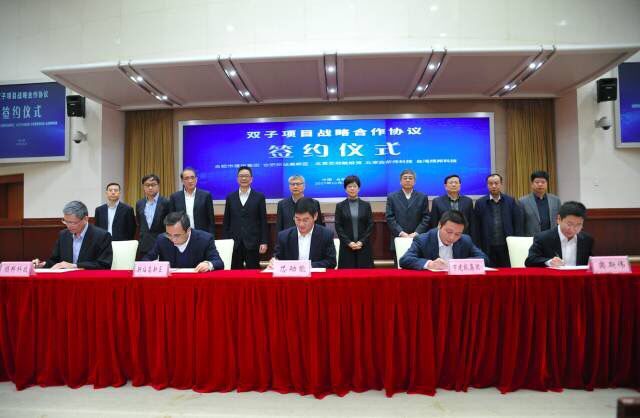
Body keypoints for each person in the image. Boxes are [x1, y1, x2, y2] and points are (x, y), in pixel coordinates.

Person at [32, 201, 112, 270]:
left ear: (85, 219)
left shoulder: (102, 236)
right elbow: (55, 261)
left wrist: (75, 266)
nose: (69, 226)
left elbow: (104, 264)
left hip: (90, 279)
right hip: (65, 279)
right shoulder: (63, 235)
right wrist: (42, 264)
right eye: (66, 221)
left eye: (73, 223)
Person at [399, 210, 488, 270]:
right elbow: (405, 260)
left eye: (457, 234)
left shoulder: (465, 240)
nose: (452, 237)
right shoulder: (423, 240)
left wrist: (459, 264)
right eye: (449, 232)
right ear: (439, 225)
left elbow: (484, 259)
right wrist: (430, 264)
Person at [142, 212, 223, 271]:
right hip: (170, 283)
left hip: (195, 283)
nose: (173, 239)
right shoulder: (162, 239)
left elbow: (218, 262)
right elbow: (147, 258)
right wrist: (150, 265)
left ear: (188, 230)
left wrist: (208, 264)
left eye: (177, 235)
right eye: (169, 234)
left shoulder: (205, 239)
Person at [270, 197, 336, 269]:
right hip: (292, 275)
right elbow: (277, 257)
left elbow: (331, 262)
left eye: (305, 220)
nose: (301, 224)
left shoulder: (326, 235)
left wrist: (307, 266)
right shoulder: (284, 236)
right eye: (298, 219)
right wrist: (274, 261)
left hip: (315, 275)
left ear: (315, 216)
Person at [473, 173, 524, 267]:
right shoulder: (480, 203)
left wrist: (517, 242)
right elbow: (476, 226)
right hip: (487, 246)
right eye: (490, 183)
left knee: (506, 271)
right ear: (487, 185)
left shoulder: (510, 201)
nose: (493, 186)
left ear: (501, 184)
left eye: (496, 183)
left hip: (506, 246)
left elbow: (517, 223)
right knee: (489, 271)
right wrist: (477, 246)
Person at [223, 166, 268, 269]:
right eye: (241, 176)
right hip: (234, 243)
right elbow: (226, 222)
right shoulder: (230, 197)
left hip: (253, 242)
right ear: (237, 179)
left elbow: (263, 222)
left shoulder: (259, 197)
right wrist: (226, 243)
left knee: (253, 272)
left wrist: (264, 242)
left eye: (246, 176)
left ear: (251, 179)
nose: (244, 178)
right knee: (235, 273)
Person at [525, 201, 594, 267]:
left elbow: (592, 262)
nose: (573, 229)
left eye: (578, 225)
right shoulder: (543, 238)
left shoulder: (587, 240)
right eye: (569, 224)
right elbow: (530, 261)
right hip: (553, 275)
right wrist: (549, 262)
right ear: (559, 219)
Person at [385, 169, 430, 259]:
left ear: (414, 181)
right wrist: (401, 233)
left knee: (417, 264)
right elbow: (389, 217)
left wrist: (416, 233)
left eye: (410, 178)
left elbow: (426, 217)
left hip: (417, 238)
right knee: (399, 264)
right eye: (405, 178)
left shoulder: (422, 197)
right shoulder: (392, 197)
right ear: (400, 181)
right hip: (399, 237)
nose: (408, 180)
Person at [333, 175, 374, 268]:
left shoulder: (366, 205)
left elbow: (370, 225)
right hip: (346, 247)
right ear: (345, 189)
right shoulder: (340, 206)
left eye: (354, 186)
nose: (352, 188)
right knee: (347, 274)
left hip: (363, 246)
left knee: (365, 274)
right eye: (349, 186)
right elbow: (338, 227)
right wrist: (349, 242)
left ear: (359, 188)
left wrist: (361, 242)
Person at [169, 167, 216, 237]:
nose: (190, 181)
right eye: (186, 178)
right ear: (182, 181)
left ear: (196, 179)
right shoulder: (174, 197)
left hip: (202, 235)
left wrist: (211, 236)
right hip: (182, 235)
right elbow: (172, 220)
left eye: (192, 177)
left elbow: (211, 220)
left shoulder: (206, 195)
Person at [136, 174, 171, 258]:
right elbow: (140, 223)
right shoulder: (139, 203)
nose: (150, 187)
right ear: (143, 187)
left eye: (153, 185)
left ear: (158, 186)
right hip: (144, 245)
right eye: (147, 185)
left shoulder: (166, 202)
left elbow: (169, 224)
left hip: (162, 243)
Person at [520, 170, 561, 237]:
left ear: (547, 184)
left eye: (543, 182)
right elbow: (520, 224)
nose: (540, 184)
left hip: (552, 238)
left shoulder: (556, 200)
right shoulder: (522, 201)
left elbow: (559, 220)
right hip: (532, 238)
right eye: (537, 182)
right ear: (532, 184)